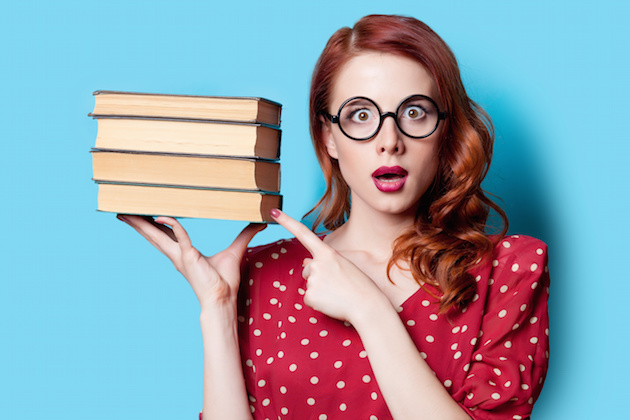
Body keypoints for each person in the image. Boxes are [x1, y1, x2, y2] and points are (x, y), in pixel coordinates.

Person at [118, 14, 549, 420]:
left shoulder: (508, 272)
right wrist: (218, 306)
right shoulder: (260, 274)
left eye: (414, 112)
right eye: (360, 115)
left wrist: (370, 309)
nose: (389, 141)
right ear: (329, 138)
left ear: (446, 132)